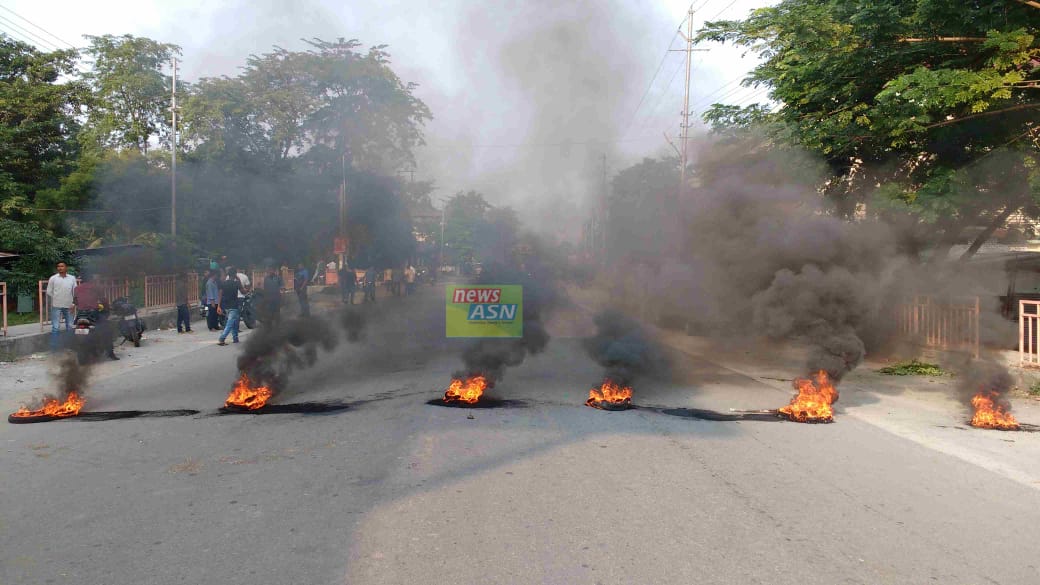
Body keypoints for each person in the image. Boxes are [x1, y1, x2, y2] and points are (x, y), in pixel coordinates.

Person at [74, 273, 118, 360]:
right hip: (93, 314)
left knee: (76, 332)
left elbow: (75, 301)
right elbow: (103, 299)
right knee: (107, 330)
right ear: (91, 279)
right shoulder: (96, 287)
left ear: (82, 280)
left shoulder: (77, 288)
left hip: (80, 315)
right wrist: (107, 307)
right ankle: (110, 353)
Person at [46, 261, 77, 349]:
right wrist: (56, 297)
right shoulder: (53, 278)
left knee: (70, 327)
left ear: (66, 267)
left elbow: (75, 292)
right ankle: (54, 349)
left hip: (69, 306)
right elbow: (49, 291)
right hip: (56, 305)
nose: (60, 268)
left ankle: (70, 347)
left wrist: (74, 303)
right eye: (58, 266)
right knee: (55, 327)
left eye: (62, 266)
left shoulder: (72, 278)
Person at [217, 266, 243, 345]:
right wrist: (239, 280)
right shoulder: (236, 283)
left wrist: (218, 306)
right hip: (234, 306)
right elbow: (244, 291)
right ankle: (222, 338)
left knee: (234, 322)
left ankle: (235, 338)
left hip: (226, 306)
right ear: (235, 274)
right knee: (230, 323)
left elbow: (220, 294)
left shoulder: (223, 283)